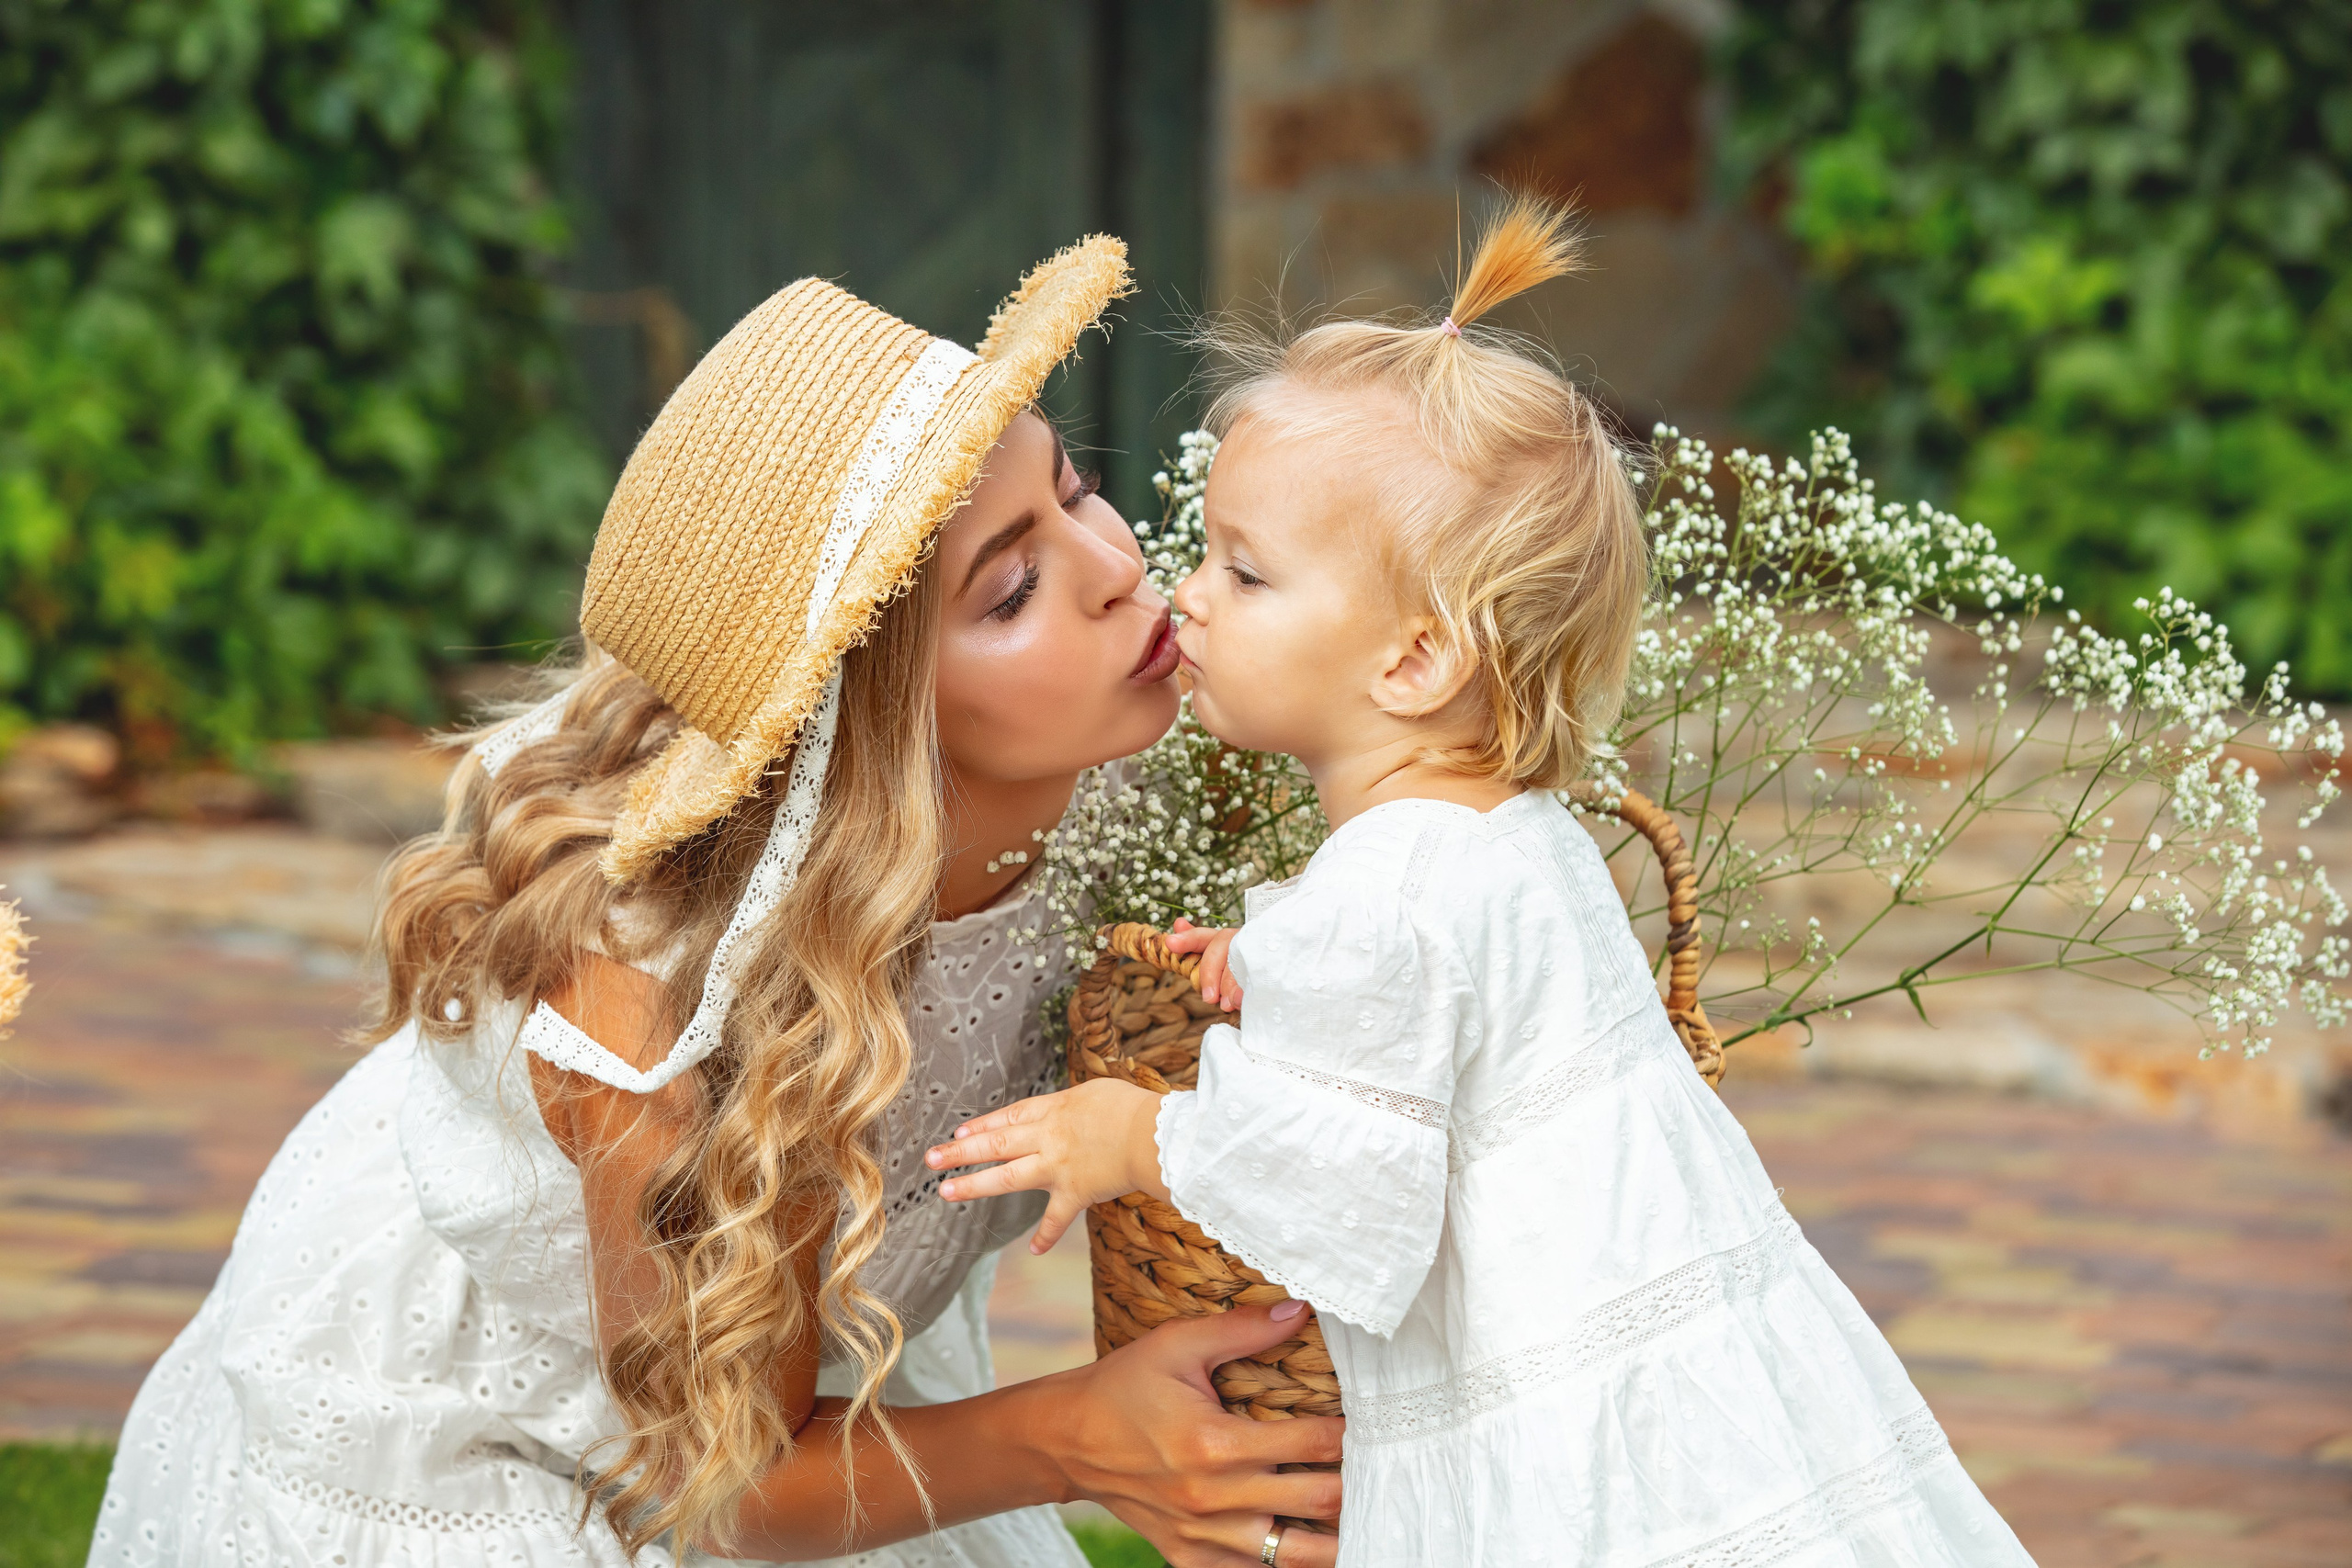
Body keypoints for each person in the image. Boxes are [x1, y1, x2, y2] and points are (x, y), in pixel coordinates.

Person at [90, 237, 1342, 1568]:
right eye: (1013, 589)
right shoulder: (649, 1005)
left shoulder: (1161, 756)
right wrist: (1067, 1433)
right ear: (865, 727)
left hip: (792, 1355)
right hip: (529, 1429)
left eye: (1075, 489)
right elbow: (731, 1497)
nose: (1112, 567)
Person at [928, 199, 2040, 1567]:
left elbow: (1352, 1204)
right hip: (1693, 1375)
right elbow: (1444, 1029)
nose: (1186, 595)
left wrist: (1132, 1136)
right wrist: (1274, 961)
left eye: (1246, 571)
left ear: (1412, 661)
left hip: (1556, 1412)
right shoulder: (1523, 837)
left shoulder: (1387, 895)